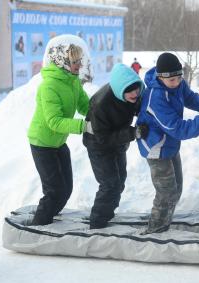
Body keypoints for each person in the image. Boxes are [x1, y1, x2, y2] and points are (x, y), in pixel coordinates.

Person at [136, 52, 199, 234]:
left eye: (179, 78)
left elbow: (191, 98)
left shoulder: (176, 82)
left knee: (177, 189)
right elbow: (178, 128)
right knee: (167, 192)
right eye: (172, 81)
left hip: (169, 143)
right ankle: (156, 231)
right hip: (156, 146)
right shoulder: (156, 98)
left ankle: (164, 220)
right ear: (161, 77)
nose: (176, 83)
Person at [28, 43, 90, 226]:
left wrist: (102, 115)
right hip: (42, 143)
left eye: (79, 60)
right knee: (54, 190)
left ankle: (50, 217)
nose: (78, 64)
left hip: (58, 143)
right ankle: (38, 225)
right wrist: (84, 126)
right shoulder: (49, 87)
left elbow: (85, 106)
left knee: (67, 188)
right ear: (62, 62)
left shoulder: (72, 81)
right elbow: (54, 121)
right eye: (74, 61)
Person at [83, 63, 148, 229]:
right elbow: (103, 138)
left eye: (137, 89)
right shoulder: (101, 104)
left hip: (118, 143)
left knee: (120, 181)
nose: (135, 93)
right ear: (120, 89)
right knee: (109, 184)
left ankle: (108, 213)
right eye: (130, 90)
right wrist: (133, 133)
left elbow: (140, 106)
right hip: (98, 145)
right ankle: (97, 223)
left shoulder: (133, 95)